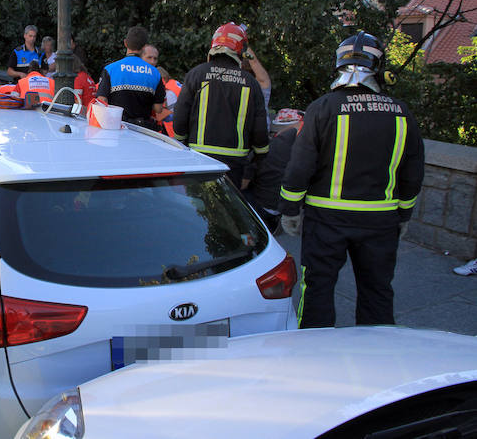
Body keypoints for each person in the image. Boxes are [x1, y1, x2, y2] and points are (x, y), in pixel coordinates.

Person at [278, 31, 425, 328]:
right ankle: (377, 361)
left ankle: (314, 357)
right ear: (378, 66)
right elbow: (412, 172)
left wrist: (290, 209)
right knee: (377, 292)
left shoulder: (323, 107)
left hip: (326, 219)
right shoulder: (401, 112)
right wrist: (404, 214)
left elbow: (299, 167)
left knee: (318, 289)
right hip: (380, 221)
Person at [171, 22, 269, 186]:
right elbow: (259, 129)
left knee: (198, 205)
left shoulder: (196, 74)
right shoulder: (250, 82)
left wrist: (180, 143)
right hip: (234, 162)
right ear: (240, 49)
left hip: (199, 157)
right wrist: (259, 158)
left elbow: (180, 114)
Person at [242, 109, 304, 233]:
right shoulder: (305, 151)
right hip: (282, 209)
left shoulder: (265, 148)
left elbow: (243, 183)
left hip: (259, 205)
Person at [95, 26, 165, 130]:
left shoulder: (110, 69)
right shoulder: (155, 73)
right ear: (144, 47)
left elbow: (101, 100)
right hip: (143, 130)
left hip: (117, 127)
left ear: (125, 43)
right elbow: (158, 108)